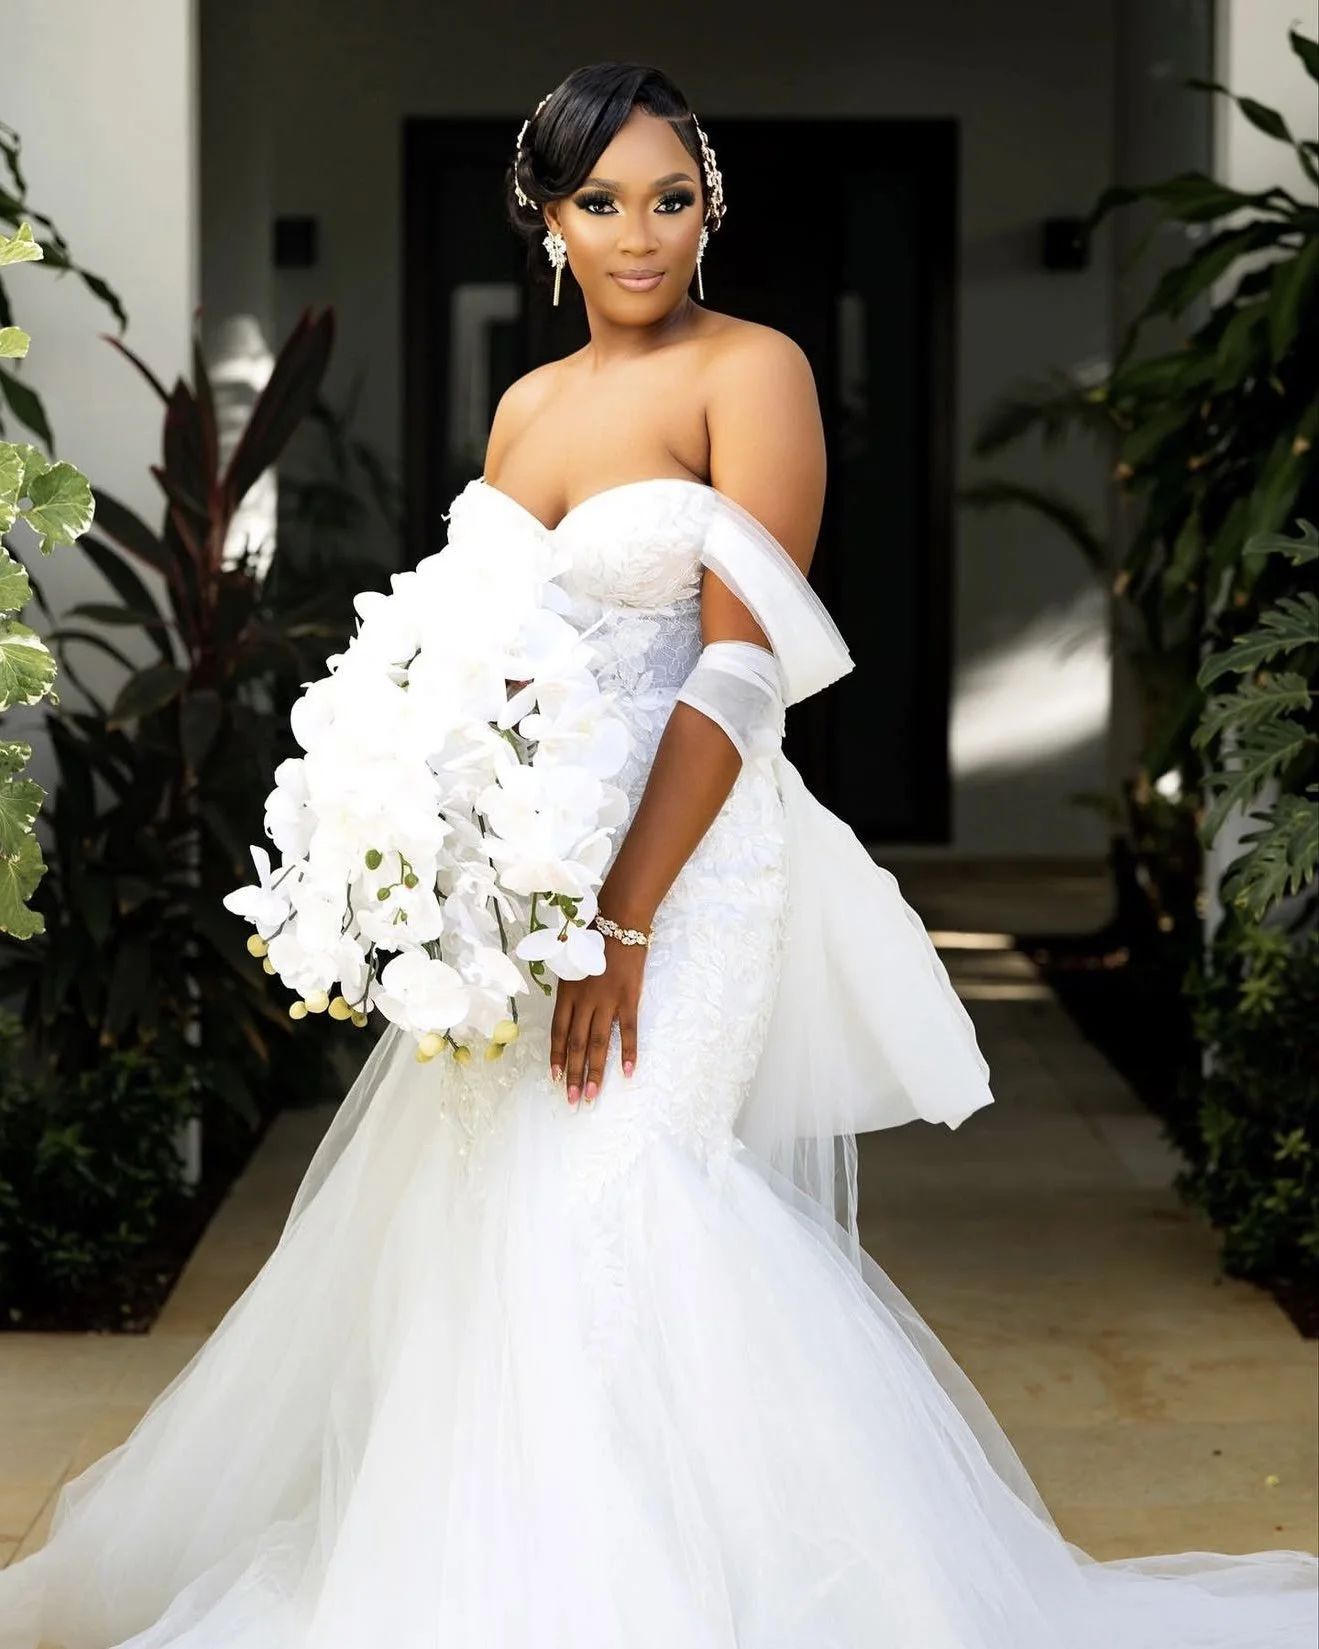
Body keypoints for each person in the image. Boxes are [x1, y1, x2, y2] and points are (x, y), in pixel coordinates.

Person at [1, 59, 1315, 1649]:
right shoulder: (528, 404)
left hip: (683, 873)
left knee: (624, 1200)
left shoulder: (748, 370)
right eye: (601, 203)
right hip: (528, 885)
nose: (641, 236)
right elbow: (464, 647)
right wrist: (420, 835)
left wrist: (619, 919)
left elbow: (742, 672)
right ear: (548, 221)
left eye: (671, 198)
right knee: (492, 1221)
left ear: (712, 206)